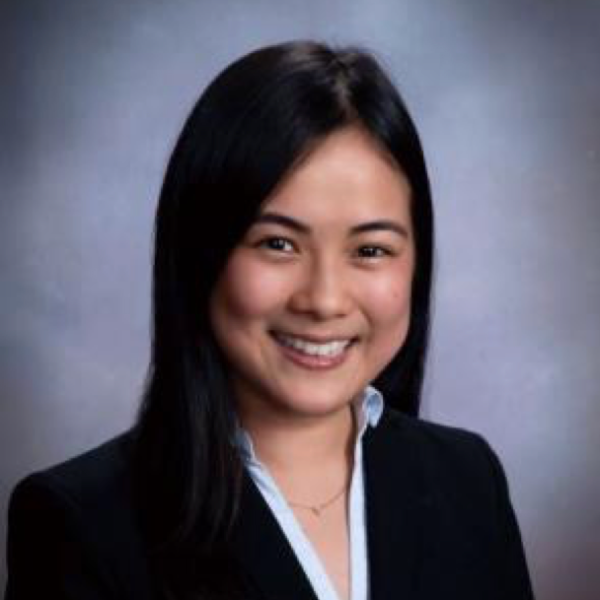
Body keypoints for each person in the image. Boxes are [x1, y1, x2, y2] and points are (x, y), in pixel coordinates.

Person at [4, 40, 535, 600]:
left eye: (371, 250)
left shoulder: (468, 480)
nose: (324, 300)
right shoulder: (81, 522)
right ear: (201, 252)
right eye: (278, 243)